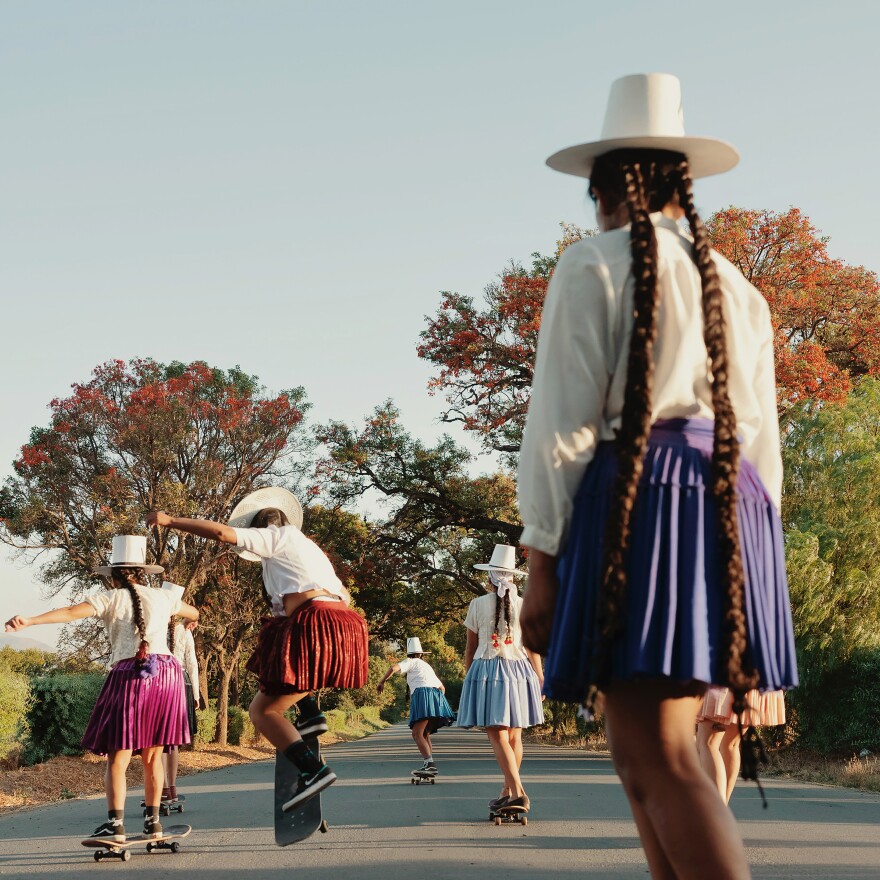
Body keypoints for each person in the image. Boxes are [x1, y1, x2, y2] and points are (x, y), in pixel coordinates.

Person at [517, 73, 798, 879]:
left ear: (605, 186)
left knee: (665, 759)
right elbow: (764, 449)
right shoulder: (738, 286)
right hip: (731, 506)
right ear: (683, 185)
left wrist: (541, 560)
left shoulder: (592, 265)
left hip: (643, 499)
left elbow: (563, 426)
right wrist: (755, 573)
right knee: (644, 762)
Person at [146, 486, 369, 811]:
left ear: (259, 530)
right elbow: (344, 594)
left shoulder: (277, 537)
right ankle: (311, 715)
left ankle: (313, 771)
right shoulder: (309, 549)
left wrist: (170, 520)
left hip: (316, 621)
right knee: (275, 646)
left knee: (262, 711)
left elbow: (222, 533)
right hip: (345, 624)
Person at [4, 535, 198, 843]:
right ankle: (153, 823)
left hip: (132, 675)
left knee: (117, 758)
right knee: (152, 757)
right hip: (167, 676)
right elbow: (195, 613)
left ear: (114, 576)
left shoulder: (110, 599)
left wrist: (30, 620)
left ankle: (116, 825)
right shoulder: (163, 597)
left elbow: (69, 612)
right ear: (143, 571)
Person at [456, 544, 545, 813]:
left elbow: (471, 649)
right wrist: (540, 678)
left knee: (498, 735)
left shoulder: (477, 604)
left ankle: (518, 792)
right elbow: (533, 647)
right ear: (512, 577)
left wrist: (468, 675)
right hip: (521, 671)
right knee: (515, 736)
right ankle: (507, 791)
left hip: (488, 671)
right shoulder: (525, 604)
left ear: (490, 577)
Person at [376, 637, 455, 775]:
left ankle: (430, 765)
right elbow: (442, 688)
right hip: (435, 696)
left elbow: (393, 668)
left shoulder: (411, 662)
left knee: (416, 733)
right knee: (425, 734)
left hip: (422, 694)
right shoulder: (426, 666)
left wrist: (382, 681)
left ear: (409, 654)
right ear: (421, 654)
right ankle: (429, 763)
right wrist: (436, 703)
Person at [696, 687, 785, 804]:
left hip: (724, 679)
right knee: (731, 745)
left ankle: (717, 810)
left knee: (708, 744)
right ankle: (722, 810)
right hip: (753, 681)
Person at [161, 618, 200, 804]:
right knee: (173, 740)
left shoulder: (157, 624)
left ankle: (163, 787)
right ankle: (173, 788)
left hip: (158, 680)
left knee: (158, 740)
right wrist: (196, 694)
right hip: (180, 681)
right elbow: (191, 662)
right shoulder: (184, 631)